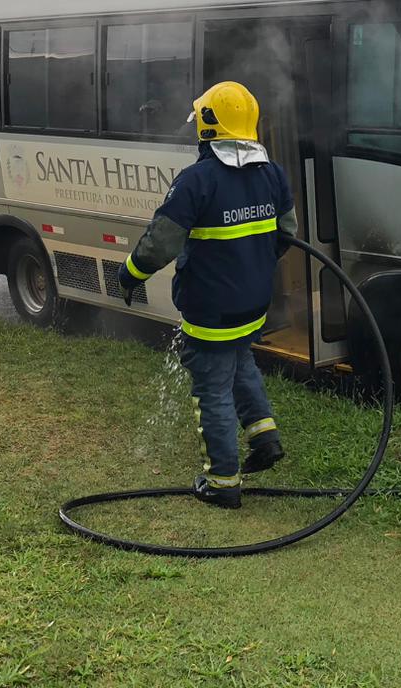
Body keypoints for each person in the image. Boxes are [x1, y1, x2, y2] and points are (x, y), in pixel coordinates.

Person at [118, 82, 298, 509]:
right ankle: (265, 437)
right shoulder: (272, 173)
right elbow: (286, 233)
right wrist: (251, 262)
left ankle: (222, 483)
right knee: (240, 362)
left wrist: (129, 275)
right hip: (252, 304)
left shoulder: (197, 180)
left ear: (206, 125)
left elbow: (160, 243)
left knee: (211, 389)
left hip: (211, 308)